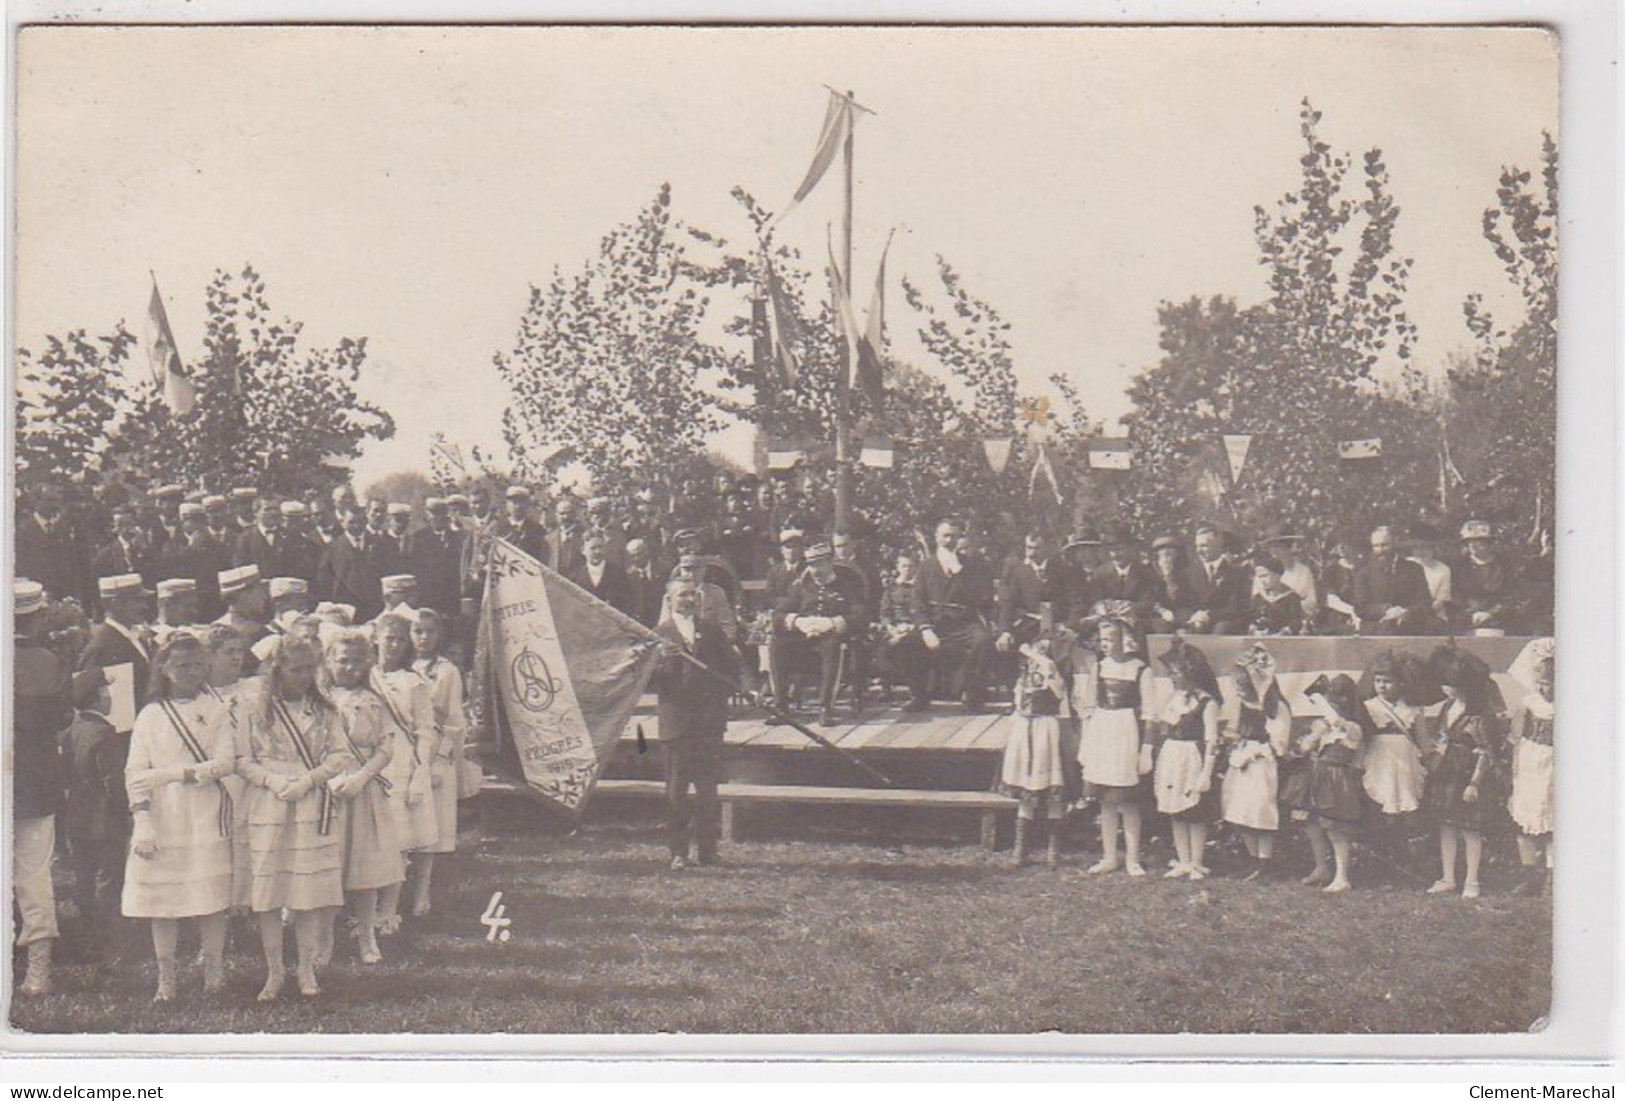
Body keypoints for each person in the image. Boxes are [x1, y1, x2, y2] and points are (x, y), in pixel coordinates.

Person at [234, 635, 353, 1000]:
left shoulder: (325, 709)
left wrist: (309, 780)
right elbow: (241, 759)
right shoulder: (254, 710)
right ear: (277, 669)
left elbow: (340, 755)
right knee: (269, 892)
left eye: (309, 669)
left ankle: (305, 968)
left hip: (309, 802)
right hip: (268, 803)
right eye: (295, 669)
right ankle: (274, 971)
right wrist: (271, 780)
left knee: (307, 891)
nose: (304, 676)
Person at [121, 631, 236, 1001]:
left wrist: (174, 774)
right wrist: (142, 820)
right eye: (182, 665)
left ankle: (214, 972)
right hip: (164, 814)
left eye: (197, 664)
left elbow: (224, 762)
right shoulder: (151, 715)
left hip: (204, 811)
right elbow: (135, 772)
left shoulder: (218, 709)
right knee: (163, 902)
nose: (191, 671)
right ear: (165, 669)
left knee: (210, 895)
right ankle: (165, 978)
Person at [325, 630, 404, 966]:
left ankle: (367, 935)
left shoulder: (374, 700)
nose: (349, 667)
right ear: (329, 661)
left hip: (363, 788)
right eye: (342, 660)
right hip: (327, 788)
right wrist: (327, 778)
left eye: (357, 661)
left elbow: (386, 748)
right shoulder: (317, 699)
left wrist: (360, 777)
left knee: (366, 865)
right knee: (326, 864)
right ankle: (323, 939)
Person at [14, 580, 74, 996]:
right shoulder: (45, 660)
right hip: (33, 778)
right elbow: (62, 718)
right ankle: (38, 968)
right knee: (34, 871)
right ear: (34, 618)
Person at [654, 578, 739, 869]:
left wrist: (748, 689)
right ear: (669, 600)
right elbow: (647, 680)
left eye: (693, 594)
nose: (688, 599)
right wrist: (660, 661)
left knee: (707, 789)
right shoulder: (658, 636)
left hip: (708, 722)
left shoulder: (711, 630)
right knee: (676, 791)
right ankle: (678, 852)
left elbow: (732, 667)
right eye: (682, 595)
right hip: (676, 723)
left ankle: (707, 850)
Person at [371, 613, 440, 932]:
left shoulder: (414, 682)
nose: (395, 645)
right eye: (389, 638)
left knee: (398, 841)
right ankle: (365, 909)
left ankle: (389, 911)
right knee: (369, 840)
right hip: (370, 760)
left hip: (402, 762)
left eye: (401, 639)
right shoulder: (362, 676)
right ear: (376, 639)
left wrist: (421, 771)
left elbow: (426, 730)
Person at [1075, 605, 1153, 877]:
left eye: (1109, 640)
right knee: (1106, 800)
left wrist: (1146, 749)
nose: (1104, 645)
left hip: (1126, 733)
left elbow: (1151, 714)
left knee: (1127, 801)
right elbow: (1089, 707)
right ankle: (1109, 856)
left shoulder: (1140, 669)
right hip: (1102, 732)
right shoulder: (1099, 667)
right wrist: (1086, 743)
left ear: (1125, 640)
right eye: (1102, 640)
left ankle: (1132, 858)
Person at [1422, 647, 1503, 901]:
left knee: (1470, 830)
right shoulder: (1447, 707)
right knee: (1446, 826)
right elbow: (1440, 735)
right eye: (1444, 683)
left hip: (1467, 775)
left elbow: (1486, 752)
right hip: (1446, 773)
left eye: (1452, 684)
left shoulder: (1480, 715)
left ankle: (1472, 881)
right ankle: (1448, 877)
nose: (1446, 688)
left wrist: (1475, 783)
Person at [997, 616, 1077, 865]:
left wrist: (1036, 656)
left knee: (1053, 792)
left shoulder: (1054, 677)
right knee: (1025, 792)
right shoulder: (1025, 678)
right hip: (1026, 730)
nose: (1035, 657)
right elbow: (1018, 702)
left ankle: (1054, 849)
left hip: (1046, 732)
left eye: (1043, 650)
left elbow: (1054, 678)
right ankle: (1020, 848)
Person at [59, 667, 128, 946]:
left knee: (84, 871)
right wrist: (125, 812)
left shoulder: (71, 731)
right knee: (108, 872)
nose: (110, 697)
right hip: (104, 815)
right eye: (107, 691)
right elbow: (113, 780)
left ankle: (85, 925)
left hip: (77, 813)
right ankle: (103, 931)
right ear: (98, 697)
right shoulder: (104, 732)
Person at [770, 539, 867, 725]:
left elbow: (860, 617)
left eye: (820, 564)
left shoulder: (848, 586)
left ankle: (825, 707)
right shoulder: (802, 586)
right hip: (803, 638)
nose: (816, 570)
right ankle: (781, 706)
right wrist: (798, 622)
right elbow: (778, 614)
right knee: (777, 643)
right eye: (812, 565)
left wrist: (832, 622)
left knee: (832, 643)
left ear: (831, 562)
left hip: (833, 638)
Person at [410, 607, 466, 916]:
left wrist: (439, 758)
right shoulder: (402, 667)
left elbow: (454, 719)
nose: (423, 637)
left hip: (434, 756)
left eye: (429, 631)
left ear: (439, 634)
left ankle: (422, 891)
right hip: (405, 753)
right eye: (418, 631)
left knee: (430, 829)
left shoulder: (447, 671)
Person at [1220, 644, 1292, 880]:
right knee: (1239, 810)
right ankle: (1252, 860)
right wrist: (1236, 747)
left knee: (1260, 811)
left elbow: (1279, 744)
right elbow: (1236, 731)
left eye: (1242, 686)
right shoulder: (1242, 705)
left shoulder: (1275, 707)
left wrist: (1253, 753)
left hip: (1263, 764)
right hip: (1242, 761)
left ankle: (1265, 863)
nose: (1238, 691)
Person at [1151, 642, 1221, 881]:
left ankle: (1196, 861)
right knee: (1175, 809)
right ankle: (1182, 859)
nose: (1171, 676)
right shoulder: (1174, 699)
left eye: (1176, 672)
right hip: (1173, 756)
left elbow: (1212, 740)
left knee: (1194, 811)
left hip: (1192, 757)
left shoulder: (1206, 703)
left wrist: (1206, 773)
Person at [1291, 674, 1367, 893]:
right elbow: (1305, 748)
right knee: (1313, 825)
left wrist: (1323, 709)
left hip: (1338, 778)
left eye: (1336, 701)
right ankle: (1321, 868)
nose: (1332, 705)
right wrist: (1312, 738)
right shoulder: (1323, 726)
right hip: (1319, 775)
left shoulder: (1352, 727)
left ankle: (1342, 877)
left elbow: (1342, 728)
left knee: (1336, 829)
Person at [912, 518, 995, 713]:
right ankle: (919, 696)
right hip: (937, 621)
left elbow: (981, 598)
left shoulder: (971, 564)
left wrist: (960, 572)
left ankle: (973, 696)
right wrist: (925, 629)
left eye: (953, 536)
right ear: (936, 538)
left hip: (964, 621)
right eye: (945, 535)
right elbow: (917, 601)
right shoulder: (926, 566)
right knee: (907, 643)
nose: (949, 540)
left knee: (982, 640)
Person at [1505, 639, 1554, 896]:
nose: (1547, 689)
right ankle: (1529, 873)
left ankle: (1552, 876)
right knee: (1525, 818)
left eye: (1552, 684)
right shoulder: (1528, 703)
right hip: (1530, 761)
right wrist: (1515, 767)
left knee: (1551, 820)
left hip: (1555, 766)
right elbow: (1516, 738)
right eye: (1543, 684)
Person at [1350, 525, 1433, 635]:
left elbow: (1424, 602)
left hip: (1409, 627)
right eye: (1376, 546)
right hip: (1376, 629)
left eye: (1385, 545)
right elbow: (1361, 607)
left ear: (1395, 542)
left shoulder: (1414, 569)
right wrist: (1386, 610)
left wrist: (1406, 612)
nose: (1380, 550)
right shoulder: (1364, 572)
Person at [878, 550, 930, 710]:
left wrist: (911, 627)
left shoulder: (922, 587)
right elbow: (885, 613)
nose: (907, 569)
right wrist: (891, 627)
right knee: (881, 645)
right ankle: (886, 687)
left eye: (910, 566)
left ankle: (917, 694)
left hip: (915, 628)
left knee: (907, 647)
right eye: (904, 566)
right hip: (895, 627)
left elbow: (926, 611)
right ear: (898, 567)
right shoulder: (891, 588)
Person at [1453, 520, 1525, 636]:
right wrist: (1469, 615)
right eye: (1469, 542)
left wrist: (1491, 613)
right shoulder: (1458, 567)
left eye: (1479, 541)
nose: (1473, 545)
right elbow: (1454, 596)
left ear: (1489, 543)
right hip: (1465, 622)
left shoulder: (1506, 567)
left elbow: (1513, 597)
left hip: (1501, 622)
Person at [318, 503, 384, 623]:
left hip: (374, 607)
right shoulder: (333, 547)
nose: (356, 526)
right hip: (345, 609)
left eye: (360, 521)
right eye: (351, 522)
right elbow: (324, 579)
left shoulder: (379, 544)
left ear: (366, 521)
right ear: (343, 522)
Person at [407, 497, 467, 619]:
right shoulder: (419, 538)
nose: (439, 517)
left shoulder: (458, 538)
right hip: (428, 599)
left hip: (451, 600)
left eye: (442, 513)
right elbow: (413, 568)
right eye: (434, 513)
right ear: (428, 516)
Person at [1186, 525, 1250, 635]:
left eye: (1204, 546)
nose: (1199, 551)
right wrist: (1194, 616)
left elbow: (1236, 607)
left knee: (1223, 629)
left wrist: (1209, 616)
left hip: (1224, 625)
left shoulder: (1237, 573)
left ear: (1218, 545)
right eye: (1197, 546)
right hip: (1195, 622)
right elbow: (1183, 603)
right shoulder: (1189, 573)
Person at [1258, 521, 1320, 624]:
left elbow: (1311, 605)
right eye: (1271, 547)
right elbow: (1258, 598)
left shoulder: (1302, 572)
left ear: (1289, 547)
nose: (1274, 552)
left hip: (1294, 623)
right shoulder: (1263, 572)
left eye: (1278, 547)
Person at [568, 531, 633, 618]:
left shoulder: (618, 574)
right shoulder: (575, 577)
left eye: (600, 547)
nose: (598, 551)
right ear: (583, 551)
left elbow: (628, 605)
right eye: (593, 548)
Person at [1147, 534, 1200, 632]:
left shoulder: (1185, 577)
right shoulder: (1149, 576)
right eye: (1162, 555)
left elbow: (1192, 601)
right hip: (1156, 616)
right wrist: (1162, 611)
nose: (1166, 560)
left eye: (1170, 555)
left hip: (1180, 617)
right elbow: (1148, 600)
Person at [1406, 523, 1455, 628]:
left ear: (1433, 548)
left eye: (1425, 547)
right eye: (1416, 548)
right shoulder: (1405, 565)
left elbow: (1441, 600)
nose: (1420, 552)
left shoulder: (1443, 569)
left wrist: (1421, 613)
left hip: (1433, 615)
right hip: (1406, 614)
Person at [1248, 554, 1306, 635]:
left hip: (1283, 640)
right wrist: (1254, 628)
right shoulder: (1259, 598)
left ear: (1277, 575)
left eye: (1265, 576)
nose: (1262, 580)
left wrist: (1285, 631)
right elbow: (1252, 618)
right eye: (1260, 577)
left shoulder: (1291, 597)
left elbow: (1296, 621)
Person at [546, 494, 587, 576]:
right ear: (556, 515)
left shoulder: (585, 537)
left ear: (575, 514)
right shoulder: (548, 539)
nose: (566, 517)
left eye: (569, 513)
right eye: (562, 513)